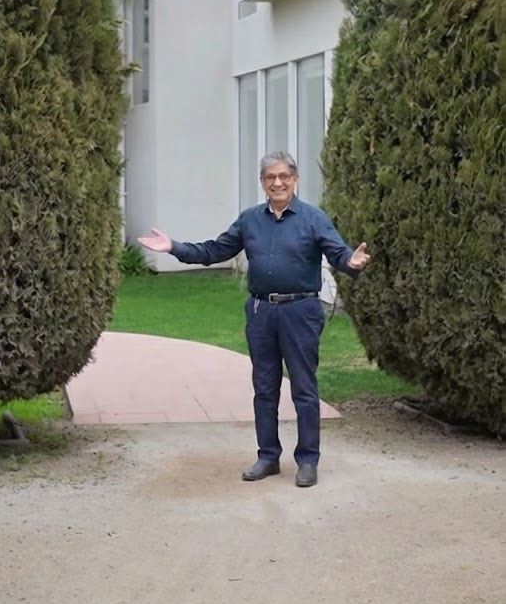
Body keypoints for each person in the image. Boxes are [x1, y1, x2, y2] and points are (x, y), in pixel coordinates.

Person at [138, 152, 370, 488]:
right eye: (270, 177)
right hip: (261, 312)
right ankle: (268, 456)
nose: (277, 183)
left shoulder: (312, 218)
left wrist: (352, 261)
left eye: (284, 176)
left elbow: (338, 253)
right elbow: (213, 251)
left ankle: (307, 460)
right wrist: (173, 246)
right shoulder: (250, 220)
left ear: (295, 179)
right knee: (264, 387)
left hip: (300, 312)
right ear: (262, 183)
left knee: (304, 388)